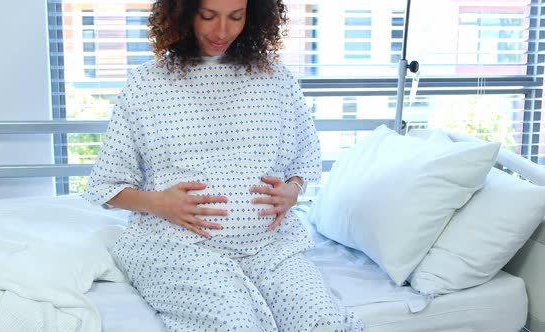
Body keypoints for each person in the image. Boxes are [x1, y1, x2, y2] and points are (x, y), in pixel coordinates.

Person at [84, 0, 363, 331]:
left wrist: (292, 190)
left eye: (236, 17)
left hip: (270, 247)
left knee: (324, 322)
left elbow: (304, 156)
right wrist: (159, 202)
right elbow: (106, 186)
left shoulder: (275, 78)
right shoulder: (146, 84)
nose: (222, 31)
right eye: (208, 16)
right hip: (179, 248)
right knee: (236, 325)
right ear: (184, 13)